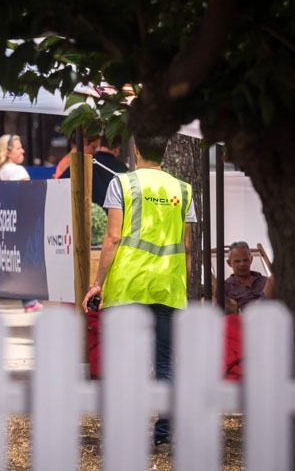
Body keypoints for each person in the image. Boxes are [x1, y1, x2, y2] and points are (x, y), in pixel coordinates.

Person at [82, 135, 196, 449]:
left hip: (128, 287)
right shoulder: (183, 190)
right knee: (165, 364)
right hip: (167, 288)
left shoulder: (123, 183)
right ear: (167, 152)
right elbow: (186, 247)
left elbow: (113, 237)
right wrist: (180, 285)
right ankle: (163, 436)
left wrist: (98, 283)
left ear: (135, 150)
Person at [0, 133, 42, 312]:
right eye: (18, 147)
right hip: (20, 223)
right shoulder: (18, 171)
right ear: (7, 152)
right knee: (23, 262)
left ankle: (27, 301)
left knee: (7, 263)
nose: (22, 150)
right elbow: (28, 197)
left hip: (3, 223)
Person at [61, 135, 128, 210]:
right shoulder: (121, 168)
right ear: (117, 149)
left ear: (99, 146)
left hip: (81, 214)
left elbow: (61, 183)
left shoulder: (82, 164)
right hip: (109, 216)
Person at [220, 241, 274, 313]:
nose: (242, 264)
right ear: (229, 263)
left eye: (245, 260)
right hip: (247, 319)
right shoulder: (226, 287)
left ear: (251, 260)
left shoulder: (264, 280)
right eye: (237, 261)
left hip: (270, 315)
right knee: (273, 280)